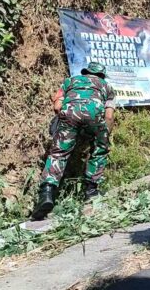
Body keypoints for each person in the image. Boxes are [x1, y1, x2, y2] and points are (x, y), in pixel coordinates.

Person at [31, 62, 116, 220]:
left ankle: (47, 193)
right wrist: (104, 135)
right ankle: (91, 190)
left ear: (85, 72)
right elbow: (109, 116)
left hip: (69, 114)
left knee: (58, 153)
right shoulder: (107, 87)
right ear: (102, 75)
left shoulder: (69, 81)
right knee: (100, 149)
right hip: (94, 115)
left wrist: (67, 123)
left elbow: (57, 107)